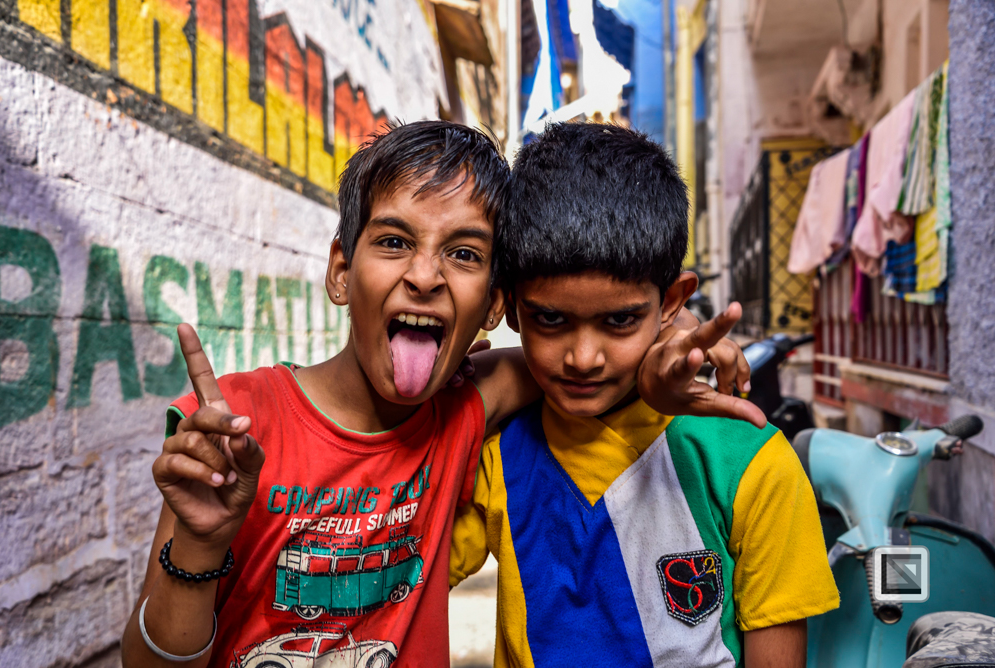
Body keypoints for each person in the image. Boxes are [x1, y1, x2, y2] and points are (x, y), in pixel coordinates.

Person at [120, 120, 760, 668]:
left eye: (463, 253)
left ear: (494, 304)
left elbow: (580, 361)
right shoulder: (235, 426)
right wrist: (199, 547)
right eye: (394, 242)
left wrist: (660, 359)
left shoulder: (466, 408)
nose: (424, 276)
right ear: (343, 271)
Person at [449, 122, 839, 668]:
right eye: (551, 319)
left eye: (620, 320)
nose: (584, 357)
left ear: (673, 301)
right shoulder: (497, 455)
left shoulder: (751, 464)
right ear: (510, 306)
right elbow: (394, 566)